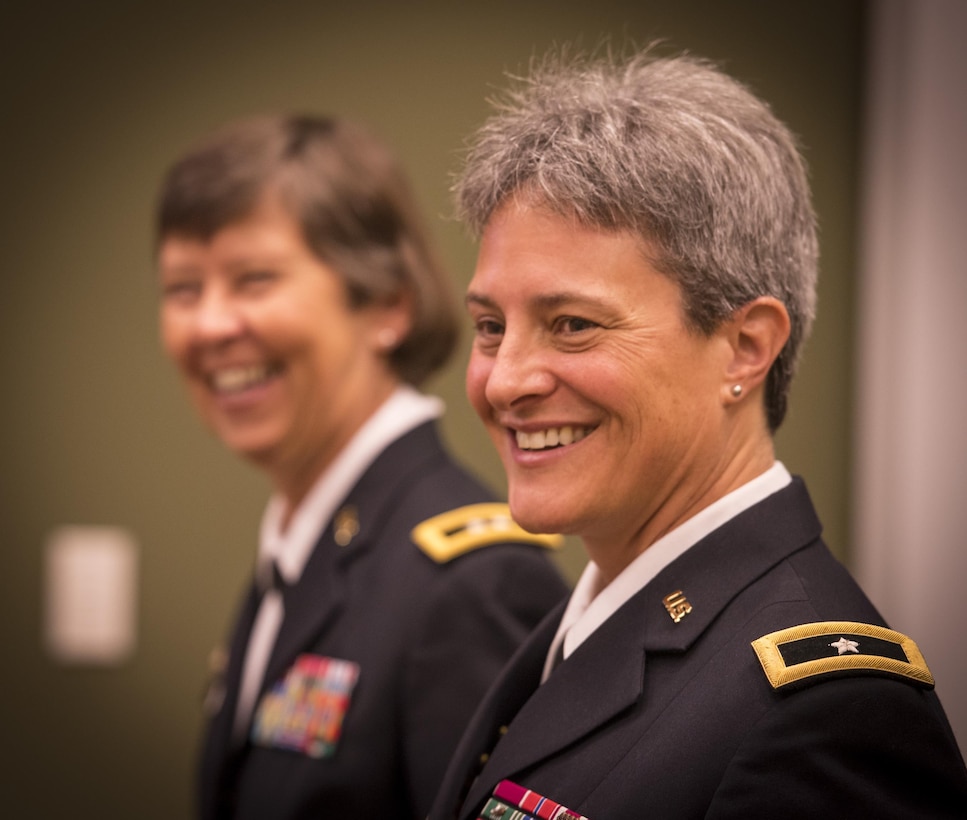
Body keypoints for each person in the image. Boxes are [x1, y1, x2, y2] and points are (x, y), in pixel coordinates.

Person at [429, 50, 967, 820]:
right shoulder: (595, 617)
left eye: (572, 325)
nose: (505, 380)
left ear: (745, 348)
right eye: (489, 327)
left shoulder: (824, 713)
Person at [155, 114, 569, 820]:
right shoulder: (302, 540)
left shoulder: (469, 584)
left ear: (386, 306)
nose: (210, 325)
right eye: (184, 289)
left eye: (253, 280)